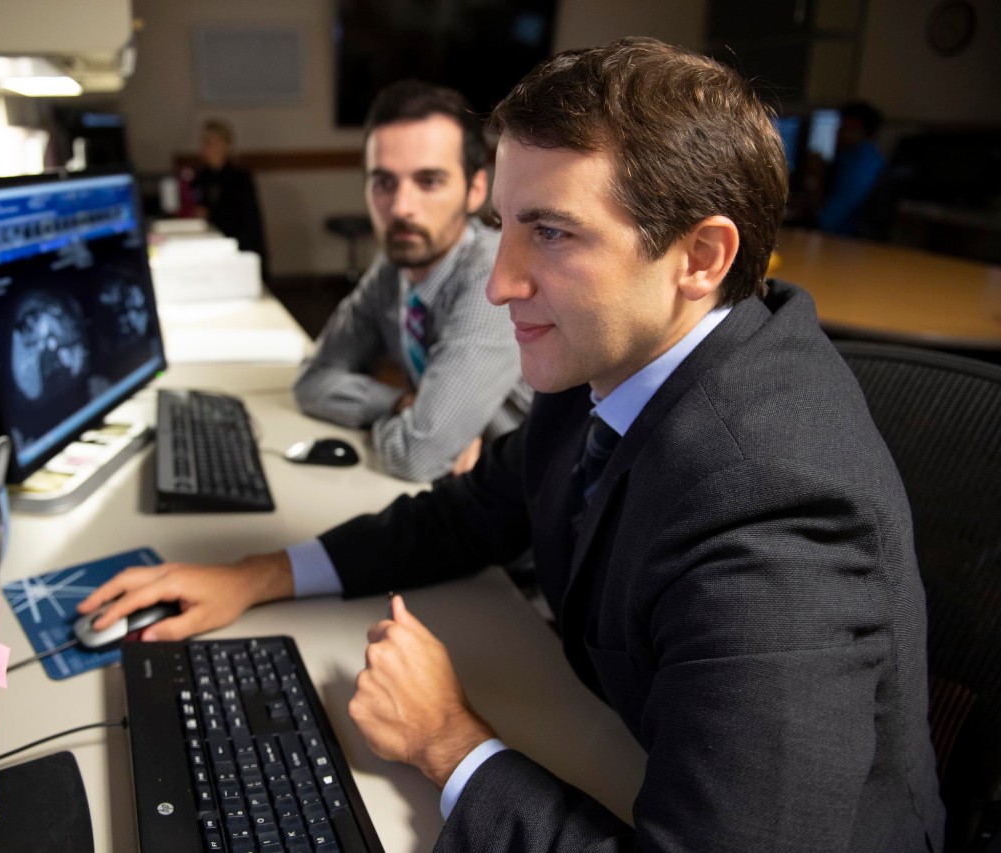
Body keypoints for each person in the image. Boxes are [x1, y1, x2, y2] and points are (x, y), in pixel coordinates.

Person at [80, 38, 945, 851]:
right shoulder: (611, 357)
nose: (499, 282)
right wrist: (260, 573)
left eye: (554, 232)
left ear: (701, 256)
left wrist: (450, 742)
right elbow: (473, 510)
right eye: (505, 225)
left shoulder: (774, 506)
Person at [292, 80, 532, 482]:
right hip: (463, 491)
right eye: (384, 182)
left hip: (531, 505)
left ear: (475, 191)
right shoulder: (393, 267)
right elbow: (312, 382)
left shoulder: (492, 276)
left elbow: (415, 456)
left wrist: (409, 427)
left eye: (429, 181)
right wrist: (401, 403)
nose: (401, 208)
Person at [190, 118, 268, 265]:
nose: (208, 147)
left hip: (238, 244)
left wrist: (210, 213)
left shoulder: (240, 178)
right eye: (206, 142)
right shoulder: (200, 178)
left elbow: (246, 220)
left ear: (226, 146)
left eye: (214, 142)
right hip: (209, 243)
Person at [810, 101, 886, 236]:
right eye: (840, 127)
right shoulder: (848, 158)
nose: (839, 133)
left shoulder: (862, 165)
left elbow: (826, 220)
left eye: (849, 128)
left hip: (844, 243)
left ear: (868, 134)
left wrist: (816, 175)